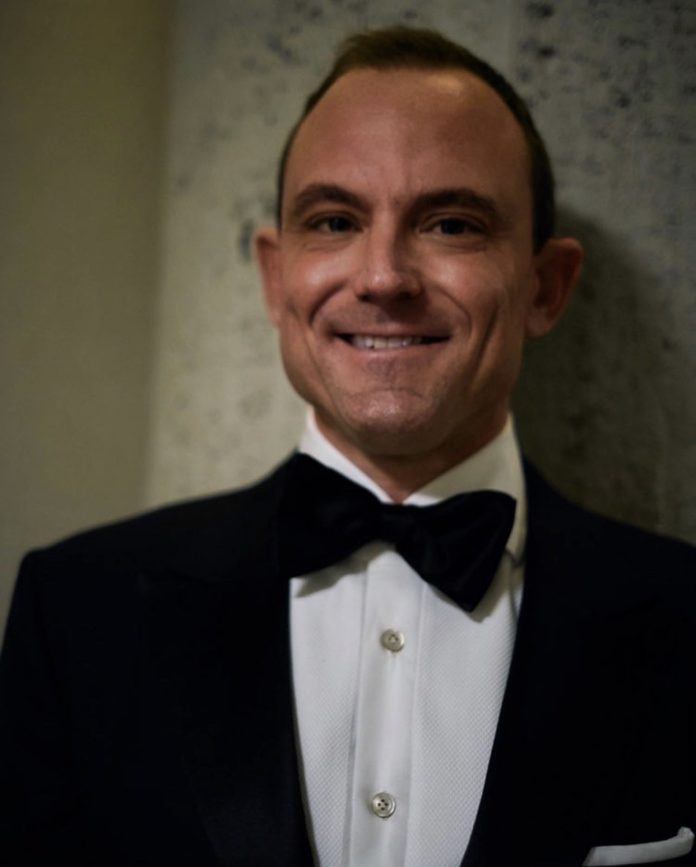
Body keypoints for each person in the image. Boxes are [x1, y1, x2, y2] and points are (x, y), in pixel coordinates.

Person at [1, 26, 694, 867]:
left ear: (545, 288)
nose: (383, 277)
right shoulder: (76, 610)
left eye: (451, 223)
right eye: (334, 220)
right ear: (275, 276)